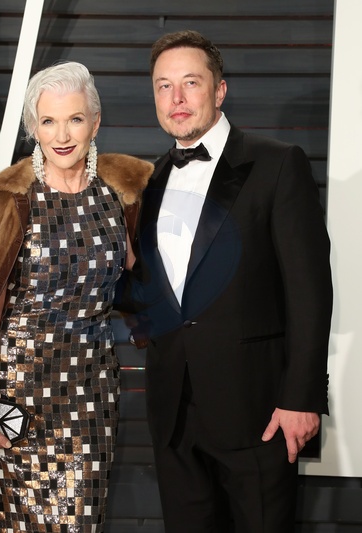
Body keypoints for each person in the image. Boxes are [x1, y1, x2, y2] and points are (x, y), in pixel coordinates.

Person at [0, 62, 153, 532]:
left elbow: (149, 280)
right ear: (34, 128)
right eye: (48, 121)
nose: (62, 135)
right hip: (18, 394)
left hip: (90, 394)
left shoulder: (120, 195)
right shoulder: (9, 199)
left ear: (95, 123)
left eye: (74, 119)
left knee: (81, 523)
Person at [126, 30, 333, 532]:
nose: (176, 98)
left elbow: (310, 292)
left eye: (190, 83)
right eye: (163, 86)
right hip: (174, 417)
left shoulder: (278, 163)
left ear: (219, 90)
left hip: (260, 415)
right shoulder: (148, 182)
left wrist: (301, 398)